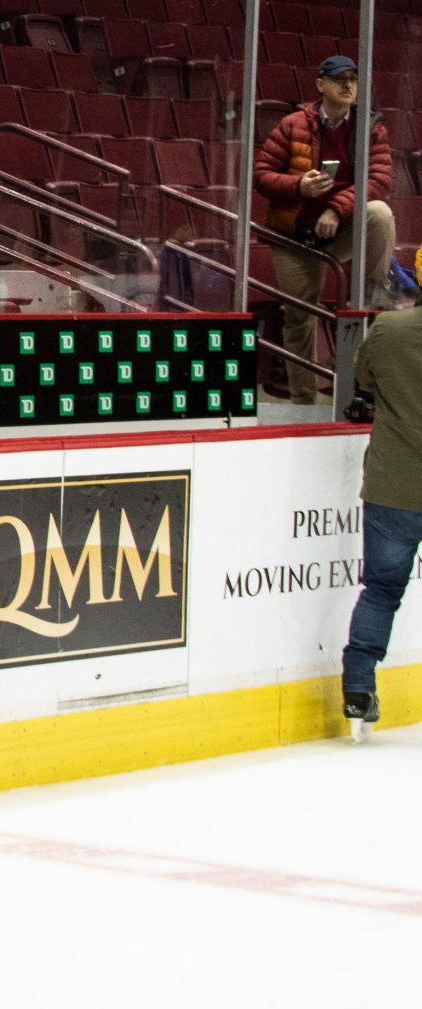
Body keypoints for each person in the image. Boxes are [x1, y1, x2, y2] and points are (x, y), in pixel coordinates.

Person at [253, 55, 396, 404]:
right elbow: (261, 175)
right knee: (299, 314)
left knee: (379, 212)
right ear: (320, 84)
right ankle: (304, 400)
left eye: (353, 79)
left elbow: (379, 180)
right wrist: (299, 186)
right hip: (294, 234)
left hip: (340, 228)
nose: (348, 85)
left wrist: (336, 207)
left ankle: (374, 292)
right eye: (339, 79)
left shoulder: (370, 126)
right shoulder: (292, 124)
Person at [341, 303, 422, 740]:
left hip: (394, 485)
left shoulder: (388, 328)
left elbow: (364, 375)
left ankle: (358, 687)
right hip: (397, 485)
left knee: (382, 591)